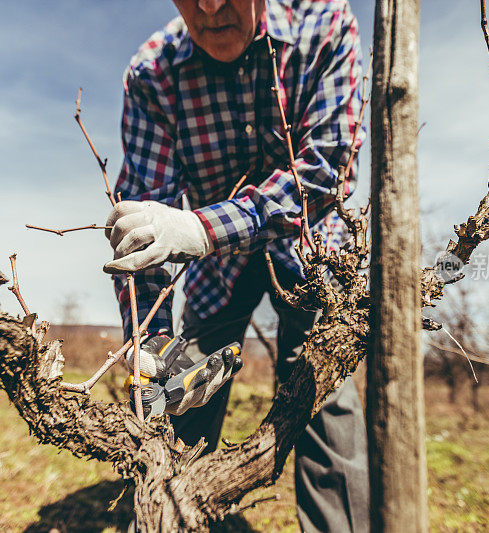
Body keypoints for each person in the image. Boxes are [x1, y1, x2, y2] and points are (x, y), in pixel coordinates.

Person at [104, 0, 368, 530]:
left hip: (310, 254)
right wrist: (151, 343)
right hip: (216, 271)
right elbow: (142, 221)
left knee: (324, 398)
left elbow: (326, 169)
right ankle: (173, 512)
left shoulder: (325, 28)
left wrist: (202, 228)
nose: (209, 6)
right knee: (183, 395)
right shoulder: (153, 74)